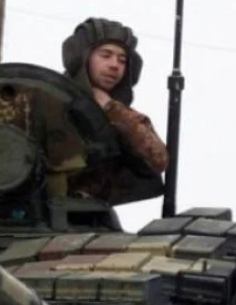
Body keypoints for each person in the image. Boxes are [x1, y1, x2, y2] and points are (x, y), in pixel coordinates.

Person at [61, 18, 169, 202]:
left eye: (122, 60)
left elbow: (157, 160)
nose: (115, 65)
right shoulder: (49, 100)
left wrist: (111, 108)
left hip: (90, 211)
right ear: (82, 58)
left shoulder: (119, 114)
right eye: (105, 55)